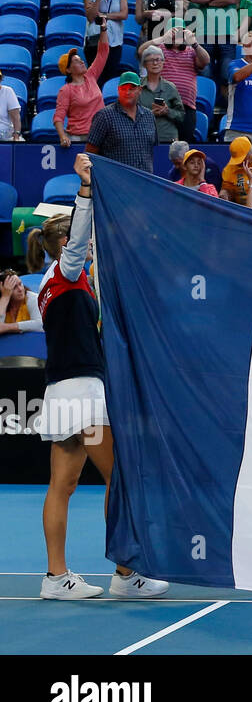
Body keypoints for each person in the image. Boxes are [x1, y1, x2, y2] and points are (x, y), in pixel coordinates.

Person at [34, 155, 169, 601]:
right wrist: (87, 190)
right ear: (64, 245)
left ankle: (56, 578)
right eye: (81, 246)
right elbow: (78, 242)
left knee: (64, 484)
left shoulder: (53, 287)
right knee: (122, 477)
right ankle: (127, 574)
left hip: (62, 392)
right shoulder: (67, 270)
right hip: (84, 394)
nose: (88, 250)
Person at [85, 71, 157, 171]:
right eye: (123, 89)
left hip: (144, 181)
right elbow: (90, 153)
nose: (127, 92)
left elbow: (150, 149)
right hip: (115, 182)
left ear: (140, 90)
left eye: (132, 88)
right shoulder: (104, 116)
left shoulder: (149, 116)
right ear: (118, 90)